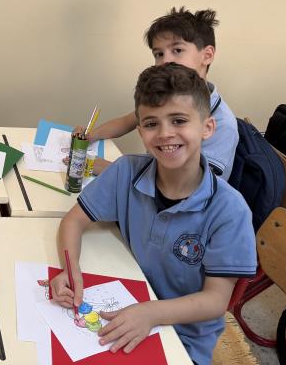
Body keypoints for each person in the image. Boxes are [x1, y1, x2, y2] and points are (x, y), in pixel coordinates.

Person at [51, 63, 256, 365]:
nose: (164, 134)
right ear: (140, 131)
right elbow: (74, 220)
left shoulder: (230, 210)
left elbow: (216, 300)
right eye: (151, 124)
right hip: (126, 297)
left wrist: (151, 313)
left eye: (179, 120)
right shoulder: (126, 171)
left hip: (183, 335)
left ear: (207, 127)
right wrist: (70, 269)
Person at [84, 7, 238, 180]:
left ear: (207, 55)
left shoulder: (223, 124)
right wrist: (89, 136)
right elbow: (127, 121)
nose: (165, 61)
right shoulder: (166, 98)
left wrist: (112, 168)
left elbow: (190, 185)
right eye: (159, 54)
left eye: (177, 50)